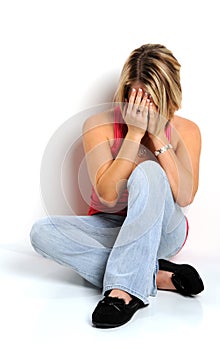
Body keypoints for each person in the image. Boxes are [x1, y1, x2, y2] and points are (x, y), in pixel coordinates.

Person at [30, 43, 204, 328]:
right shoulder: (98, 125)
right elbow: (107, 196)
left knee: (148, 171)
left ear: (168, 97)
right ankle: (155, 274)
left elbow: (185, 197)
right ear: (124, 94)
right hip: (113, 227)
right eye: (136, 98)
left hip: (164, 231)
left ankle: (123, 292)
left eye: (152, 101)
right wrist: (134, 135)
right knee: (42, 234)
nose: (144, 108)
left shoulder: (187, 131)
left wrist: (158, 137)